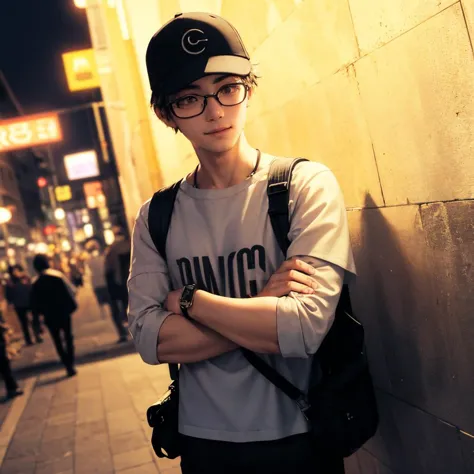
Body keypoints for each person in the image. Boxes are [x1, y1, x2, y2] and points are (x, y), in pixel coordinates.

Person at [128, 12, 356, 474]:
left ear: (248, 88)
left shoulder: (303, 186)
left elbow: (303, 329)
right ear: (165, 112)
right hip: (203, 444)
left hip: (300, 432)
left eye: (227, 88)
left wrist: (189, 300)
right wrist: (261, 306)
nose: (215, 111)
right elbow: (149, 338)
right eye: (191, 98)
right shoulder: (157, 216)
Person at [30, 255, 78, 377]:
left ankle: (66, 363)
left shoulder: (36, 283)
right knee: (68, 337)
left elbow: (34, 304)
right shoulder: (57, 276)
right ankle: (71, 363)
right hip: (63, 311)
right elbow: (72, 291)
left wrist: (36, 320)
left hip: (49, 315)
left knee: (57, 340)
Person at [87, 240, 128, 341]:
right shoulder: (103, 257)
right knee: (117, 307)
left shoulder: (90, 260)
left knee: (114, 309)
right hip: (109, 284)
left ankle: (122, 331)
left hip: (101, 285)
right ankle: (124, 329)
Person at [5, 264, 43, 345]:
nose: (16, 272)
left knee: (34, 319)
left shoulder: (25, 278)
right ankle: (28, 340)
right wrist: (10, 303)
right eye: (14, 271)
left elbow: (31, 288)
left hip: (29, 302)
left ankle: (37, 336)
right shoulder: (10, 282)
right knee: (24, 323)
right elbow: (8, 294)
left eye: (17, 270)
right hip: (19, 305)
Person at [104, 228, 130, 343]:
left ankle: (123, 333)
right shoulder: (131, 245)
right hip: (131, 280)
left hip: (118, 282)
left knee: (117, 309)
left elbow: (108, 267)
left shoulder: (112, 249)